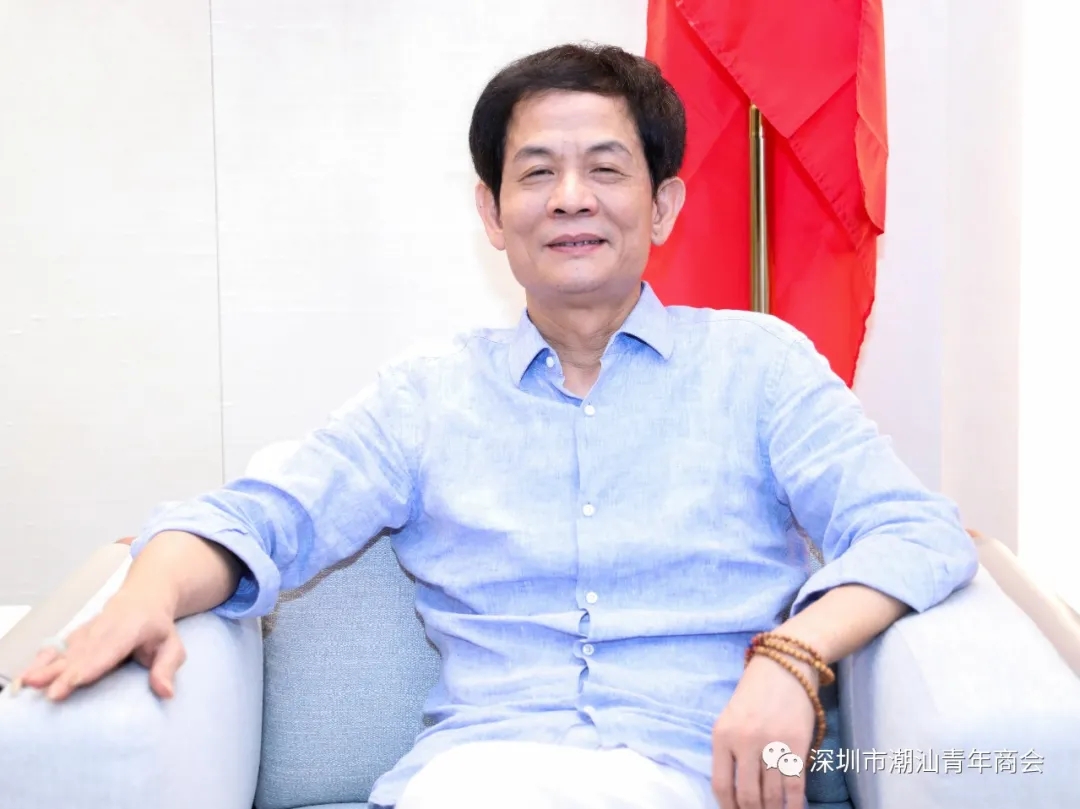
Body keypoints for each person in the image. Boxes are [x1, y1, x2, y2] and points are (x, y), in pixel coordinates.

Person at [16, 43, 978, 809]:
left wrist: (794, 653)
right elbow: (261, 518)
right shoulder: (428, 396)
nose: (571, 197)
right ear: (492, 210)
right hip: (480, 775)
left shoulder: (761, 367)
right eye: (537, 172)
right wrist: (145, 590)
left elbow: (915, 528)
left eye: (606, 168)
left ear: (663, 205)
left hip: (693, 772)